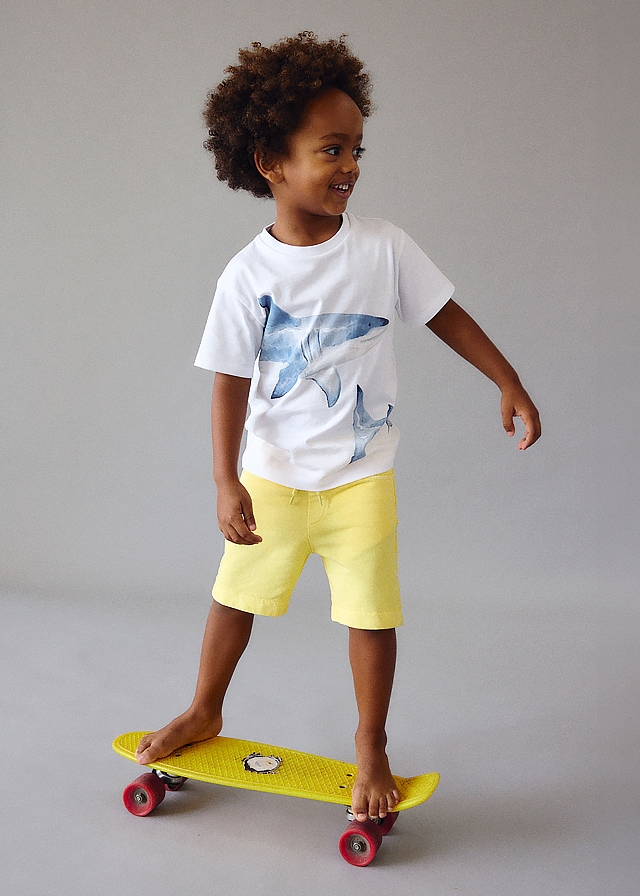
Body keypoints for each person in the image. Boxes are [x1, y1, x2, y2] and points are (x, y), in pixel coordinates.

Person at [135, 33, 541, 823]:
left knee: (372, 616)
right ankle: (204, 708)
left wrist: (507, 379)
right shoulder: (247, 276)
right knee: (233, 599)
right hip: (273, 478)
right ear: (270, 162)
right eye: (331, 149)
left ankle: (370, 743)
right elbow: (228, 381)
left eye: (357, 148)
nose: (351, 164)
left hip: (362, 479)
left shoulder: (384, 248)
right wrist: (224, 479)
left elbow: (445, 314)